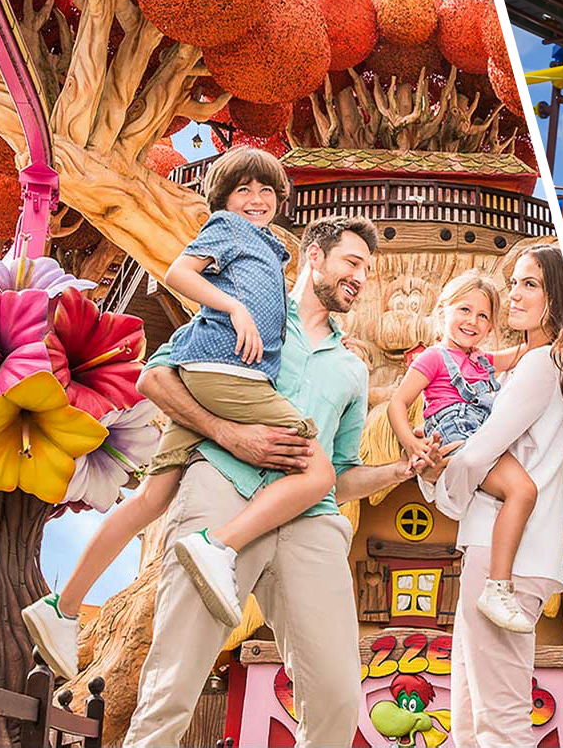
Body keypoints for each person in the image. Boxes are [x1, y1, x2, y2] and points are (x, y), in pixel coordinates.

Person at [22, 148, 339, 678]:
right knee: (317, 468)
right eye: (243, 190)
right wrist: (233, 307)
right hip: (228, 374)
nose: (255, 200)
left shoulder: (264, 250)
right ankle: (219, 547)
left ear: (281, 200)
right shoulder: (229, 229)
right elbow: (176, 270)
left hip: (203, 372)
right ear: (224, 199)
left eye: (266, 192)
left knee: (151, 497)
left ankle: (63, 607)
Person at [122, 214, 416, 748]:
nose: (360, 277)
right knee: (175, 680)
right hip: (223, 490)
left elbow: (341, 474)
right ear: (313, 257)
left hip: (310, 523)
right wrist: (229, 434)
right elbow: (156, 377)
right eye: (351, 262)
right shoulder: (246, 312)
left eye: (367, 271)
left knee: (337, 696)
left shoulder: (353, 369)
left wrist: (398, 471)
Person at [416, 245, 563, 747]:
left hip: (505, 552)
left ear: (558, 297)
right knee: (468, 712)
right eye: (516, 283)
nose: (516, 294)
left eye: (532, 284)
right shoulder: (542, 363)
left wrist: (440, 488)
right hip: (515, 549)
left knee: (498, 721)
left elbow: (478, 453)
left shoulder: (542, 364)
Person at [387, 271, 533, 631]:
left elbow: (524, 352)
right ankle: (497, 587)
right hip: (457, 436)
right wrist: (413, 442)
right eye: (464, 310)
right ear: (443, 310)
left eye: (483, 316)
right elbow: (398, 403)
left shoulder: (483, 361)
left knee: (520, 491)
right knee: (522, 490)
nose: (473, 321)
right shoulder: (433, 358)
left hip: (482, 435)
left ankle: (498, 576)